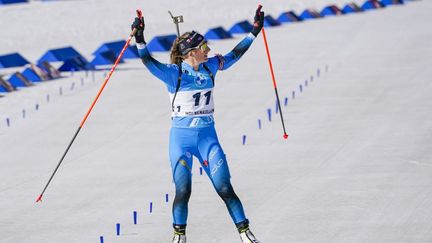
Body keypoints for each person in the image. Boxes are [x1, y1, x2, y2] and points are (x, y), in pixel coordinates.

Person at [131, 6, 264, 243]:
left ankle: (245, 233)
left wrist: (254, 31)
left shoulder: (211, 67)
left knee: (225, 188)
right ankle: (179, 236)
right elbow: (148, 61)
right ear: (190, 53)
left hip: (207, 139)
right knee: (183, 191)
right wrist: (140, 38)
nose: (209, 51)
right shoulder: (174, 74)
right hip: (180, 141)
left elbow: (235, 54)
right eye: (204, 48)